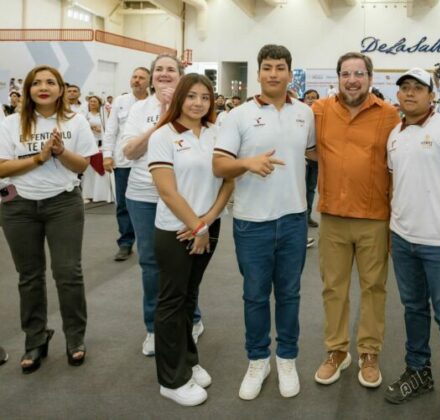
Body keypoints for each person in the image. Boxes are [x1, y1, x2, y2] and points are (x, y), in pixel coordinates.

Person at [213, 44, 315, 401]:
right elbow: (219, 165)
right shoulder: (238, 115)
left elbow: (313, 152)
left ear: (290, 73)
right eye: (267, 67)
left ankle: (286, 358)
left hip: (293, 219)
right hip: (252, 222)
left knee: (289, 294)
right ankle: (258, 360)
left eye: (280, 67)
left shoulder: (305, 113)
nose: (274, 73)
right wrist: (247, 163)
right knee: (255, 296)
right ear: (258, 73)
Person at [384, 68, 440, 419]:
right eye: (404, 88)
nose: (409, 93)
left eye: (417, 88)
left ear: (431, 94)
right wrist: (392, 231)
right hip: (403, 239)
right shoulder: (394, 134)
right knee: (414, 309)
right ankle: (418, 371)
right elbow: (395, 185)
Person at [0, 65, 98, 373]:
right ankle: (35, 339)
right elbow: (1, 168)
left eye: (50, 82)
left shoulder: (75, 121)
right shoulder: (11, 123)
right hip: (18, 207)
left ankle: (75, 338)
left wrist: (60, 151)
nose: (43, 87)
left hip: (63, 204)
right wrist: (39, 158)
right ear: (28, 89)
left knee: (68, 273)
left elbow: (82, 165)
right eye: (37, 83)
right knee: (29, 277)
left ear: (60, 89)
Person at [312, 52, 399, 388]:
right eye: (346, 74)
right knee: (333, 287)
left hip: (374, 218)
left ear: (370, 78)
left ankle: (369, 352)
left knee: (374, 288)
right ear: (337, 78)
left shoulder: (389, 115)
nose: (352, 80)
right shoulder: (320, 111)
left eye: (359, 74)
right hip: (332, 216)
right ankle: (336, 350)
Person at [148, 73, 234, 406]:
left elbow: (228, 181)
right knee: (171, 301)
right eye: (192, 96)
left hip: (208, 225)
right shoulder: (163, 136)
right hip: (176, 230)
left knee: (189, 296)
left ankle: (187, 359)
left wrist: (206, 222)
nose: (198, 103)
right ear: (180, 98)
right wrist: (196, 227)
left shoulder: (216, 132)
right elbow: (167, 191)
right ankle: (171, 379)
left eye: (205, 97)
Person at [121, 54, 205, 357]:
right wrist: (162, 119)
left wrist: (176, 109)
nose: (164, 74)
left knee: (185, 262)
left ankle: (191, 319)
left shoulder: (193, 105)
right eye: (159, 69)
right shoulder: (139, 109)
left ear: (181, 75)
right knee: (151, 263)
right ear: (151, 76)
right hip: (144, 195)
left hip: (181, 195)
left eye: (171, 69)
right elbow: (130, 152)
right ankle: (154, 328)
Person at [102, 67, 150, 261]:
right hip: (123, 162)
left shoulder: (154, 104)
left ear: (149, 82)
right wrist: (107, 155)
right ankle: (125, 243)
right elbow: (111, 130)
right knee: (123, 204)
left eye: (141, 78)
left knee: (150, 203)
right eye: (134, 77)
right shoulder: (120, 102)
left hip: (147, 162)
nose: (137, 80)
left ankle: (151, 242)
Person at [81, 95, 111, 203]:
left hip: (101, 145)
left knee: (101, 170)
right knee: (89, 171)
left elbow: (108, 128)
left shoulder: (103, 115)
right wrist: (90, 127)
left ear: (99, 103)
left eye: (95, 101)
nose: (93, 103)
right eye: (91, 101)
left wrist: (101, 129)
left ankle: (101, 195)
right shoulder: (85, 115)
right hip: (88, 145)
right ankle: (88, 194)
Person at [303, 88, 320, 230]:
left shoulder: (321, 116)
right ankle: (300, 218)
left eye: (314, 97)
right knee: (300, 187)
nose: (311, 100)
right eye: (308, 97)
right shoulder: (300, 114)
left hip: (315, 158)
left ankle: (307, 216)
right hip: (302, 158)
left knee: (311, 188)